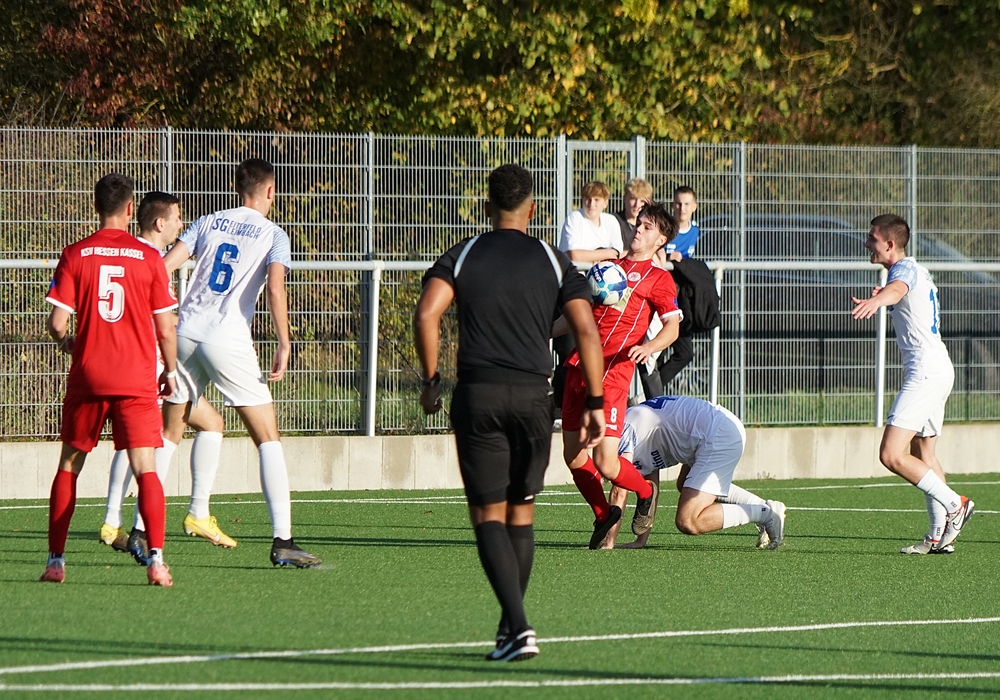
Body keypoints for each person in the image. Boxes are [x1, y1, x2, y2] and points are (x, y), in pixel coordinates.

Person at [414, 163, 605, 662]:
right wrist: (596, 402)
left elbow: (427, 313)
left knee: (487, 514)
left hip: (479, 395)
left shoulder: (465, 252)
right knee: (521, 512)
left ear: (487, 207)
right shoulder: (553, 259)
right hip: (533, 397)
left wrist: (431, 382)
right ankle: (510, 630)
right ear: (533, 210)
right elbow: (586, 330)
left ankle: (518, 627)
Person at [161, 158, 321, 568]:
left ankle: (143, 528)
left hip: (185, 333)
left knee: (169, 431)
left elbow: (162, 267)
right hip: (227, 339)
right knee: (268, 437)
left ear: (237, 188)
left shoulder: (209, 220)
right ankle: (283, 540)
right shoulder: (274, 234)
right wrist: (284, 341)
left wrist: (158, 316)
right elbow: (276, 290)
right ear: (270, 191)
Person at [40, 173, 178, 586]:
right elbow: (165, 328)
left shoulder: (75, 253)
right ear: (131, 208)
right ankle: (156, 562)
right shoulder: (149, 258)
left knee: (69, 465)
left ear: (95, 205)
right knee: (145, 468)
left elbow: (57, 323)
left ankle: (56, 562)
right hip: (136, 377)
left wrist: (68, 343)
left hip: (89, 375)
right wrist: (170, 371)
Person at [98, 192, 233, 563]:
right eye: (176, 218)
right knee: (155, 437)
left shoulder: (131, 254)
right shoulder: (149, 260)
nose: (181, 224)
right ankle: (151, 522)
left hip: (126, 360)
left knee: (192, 427)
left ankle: (116, 520)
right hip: (153, 366)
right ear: (160, 223)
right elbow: (158, 320)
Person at [557, 201, 682, 549]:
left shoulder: (659, 279)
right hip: (578, 367)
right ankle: (603, 515)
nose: (638, 230)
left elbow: (672, 327)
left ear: (661, 240)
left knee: (606, 462)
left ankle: (645, 490)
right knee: (573, 456)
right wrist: (543, 332)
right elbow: (579, 314)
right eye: (638, 223)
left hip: (613, 374)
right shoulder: (608, 268)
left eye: (647, 227)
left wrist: (650, 346)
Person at [851, 214, 974, 553]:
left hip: (925, 371)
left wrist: (878, 300)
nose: (867, 243)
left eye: (872, 238)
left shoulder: (902, 270)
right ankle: (938, 536)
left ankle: (956, 504)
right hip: (938, 367)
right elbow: (900, 293)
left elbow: (898, 289)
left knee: (891, 454)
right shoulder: (916, 269)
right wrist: (884, 296)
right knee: (924, 452)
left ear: (890, 244)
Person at [602, 396, 785, 550]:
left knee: (688, 520)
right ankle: (764, 506)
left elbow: (619, 491)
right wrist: (641, 540)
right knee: (684, 483)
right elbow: (651, 490)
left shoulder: (623, 433)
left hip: (717, 435)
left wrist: (609, 543)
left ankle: (765, 514)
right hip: (717, 428)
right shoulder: (629, 425)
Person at [647, 186, 701, 392]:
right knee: (655, 352)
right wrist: (667, 258)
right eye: (678, 204)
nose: (682, 208)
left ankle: (651, 392)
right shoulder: (666, 229)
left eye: (686, 204)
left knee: (684, 353)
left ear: (694, 206)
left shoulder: (696, 231)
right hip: (661, 297)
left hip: (681, 300)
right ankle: (650, 395)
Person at [557, 181, 624, 263]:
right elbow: (575, 256)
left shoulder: (611, 221)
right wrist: (609, 253)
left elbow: (618, 255)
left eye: (596, 200)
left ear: (605, 203)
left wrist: (590, 256)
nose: (591, 204)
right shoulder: (574, 218)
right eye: (588, 199)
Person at [613, 178, 653, 251]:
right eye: (633, 199)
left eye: (642, 201)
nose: (637, 205)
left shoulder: (650, 225)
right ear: (625, 198)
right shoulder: (614, 221)